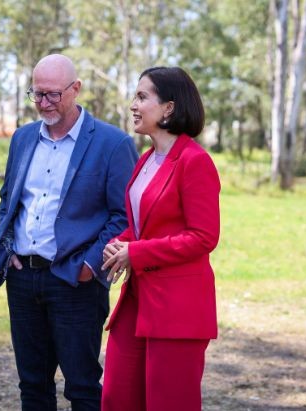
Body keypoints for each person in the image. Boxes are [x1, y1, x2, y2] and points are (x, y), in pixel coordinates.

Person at [0, 54, 138, 410]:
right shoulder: (22, 139)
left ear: (76, 89)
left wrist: (89, 265)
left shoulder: (112, 144)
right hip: (23, 279)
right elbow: (9, 200)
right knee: (33, 386)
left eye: (53, 95)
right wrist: (7, 250)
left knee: (83, 387)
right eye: (37, 94)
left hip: (75, 282)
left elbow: (123, 217)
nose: (44, 103)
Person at [100, 66, 221, 411]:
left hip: (177, 309)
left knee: (169, 403)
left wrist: (136, 253)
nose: (133, 105)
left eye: (142, 97)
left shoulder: (195, 162)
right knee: (116, 399)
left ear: (168, 108)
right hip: (137, 302)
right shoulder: (145, 160)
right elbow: (143, 226)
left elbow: (203, 236)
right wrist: (121, 244)